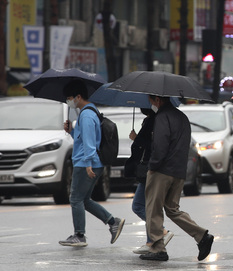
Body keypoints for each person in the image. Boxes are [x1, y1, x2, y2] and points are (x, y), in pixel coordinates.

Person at [139, 95, 214, 261]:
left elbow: (160, 145)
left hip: (162, 170)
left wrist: (153, 165)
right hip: (179, 171)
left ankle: (158, 248)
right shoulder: (182, 117)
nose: (150, 103)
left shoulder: (162, 117)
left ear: (158, 100)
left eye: (151, 100)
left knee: (153, 208)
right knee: (173, 209)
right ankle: (201, 235)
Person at [59, 79, 125, 247]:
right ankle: (113, 222)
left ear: (78, 96)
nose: (69, 101)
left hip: (85, 163)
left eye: (69, 98)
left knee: (75, 198)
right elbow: (82, 140)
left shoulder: (87, 115)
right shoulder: (89, 112)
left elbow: (89, 143)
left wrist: (88, 164)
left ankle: (79, 235)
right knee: (85, 199)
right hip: (88, 161)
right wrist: (72, 131)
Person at [124, 108, 174, 254]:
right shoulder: (151, 120)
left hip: (151, 169)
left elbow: (155, 146)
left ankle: (161, 231)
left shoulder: (155, 121)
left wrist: (136, 138)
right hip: (148, 169)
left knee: (139, 205)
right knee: (146, 207)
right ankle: (150, 241)